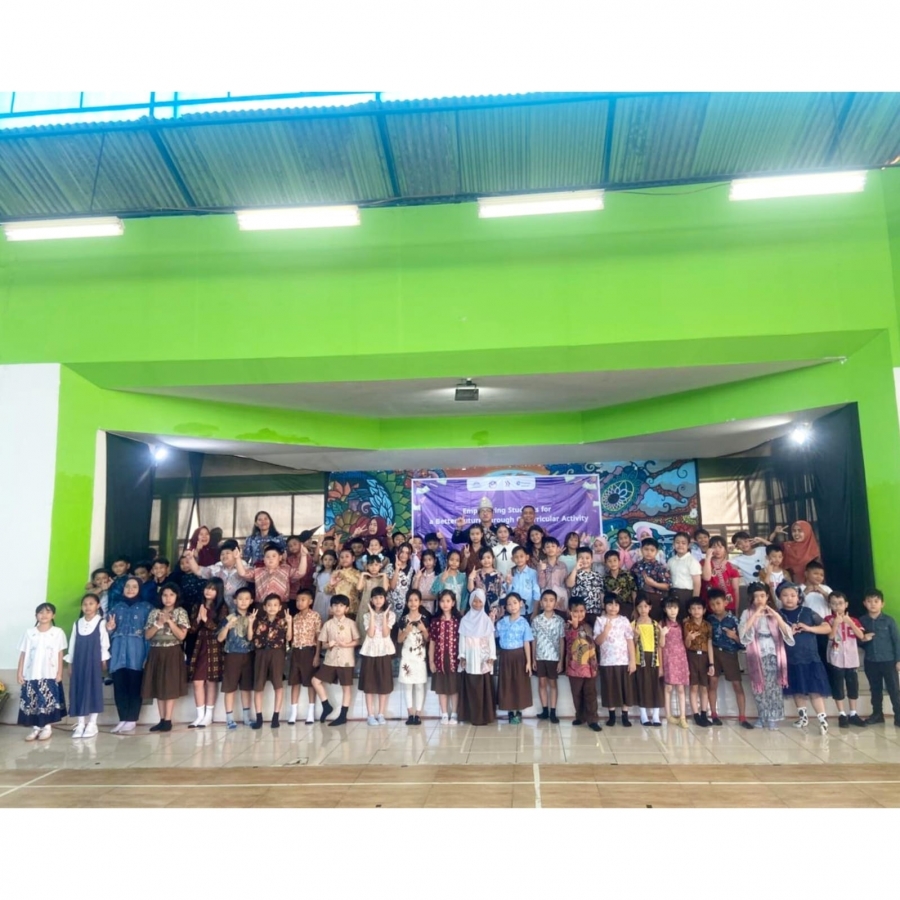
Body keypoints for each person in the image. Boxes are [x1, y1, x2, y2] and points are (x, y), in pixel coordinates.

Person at [776, 581, 832, 734]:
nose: (789, 598)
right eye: (785, 595)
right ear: (779, 597)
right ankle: (803, 718)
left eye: (793, 595)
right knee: (797, 689)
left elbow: (827, 627)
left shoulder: (807, 612)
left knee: (815, 689)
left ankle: (822, 720)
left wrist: (809, 628)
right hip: (790, 658)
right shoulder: (778, 615)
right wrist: (789, 632)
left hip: (810, 658)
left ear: (799, 597)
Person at [738, 582, 795, 730]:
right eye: (756, 596)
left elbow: (787, 632)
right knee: (759, 686)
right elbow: (743, 632)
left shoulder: (774, 612)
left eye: (762, 596)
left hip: (773, 653)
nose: (759, 599)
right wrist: (755, 615)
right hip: (756, 654)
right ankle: (762, 716)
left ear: (767, 597)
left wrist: (776, 616)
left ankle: (773, 717)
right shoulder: (747, 613)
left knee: (774, 687)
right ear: (751, 598)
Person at [106, 576, 153, 734]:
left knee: (134, 685)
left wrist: (148, 656)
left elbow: (149, 634)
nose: (130, 589)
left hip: (137, 652)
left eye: (134, 586)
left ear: (140, 589)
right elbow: (107, 633)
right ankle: (122, 719)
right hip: (118, 651)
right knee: (119, 686)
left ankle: (132, 719)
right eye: (127, 586)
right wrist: (109, 628)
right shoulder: (116, 608)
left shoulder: (147, 608)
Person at [142, 583, 189, 733]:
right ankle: (161, 719)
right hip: (156, 651)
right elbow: (147, 635)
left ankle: (168, 720)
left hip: (172, 651)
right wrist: (159, 623)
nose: (168, 598)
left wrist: (169, 622)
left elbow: (181, 636)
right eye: (164, 595)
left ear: (176, 596)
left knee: (169, 685)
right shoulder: (154, 612)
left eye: (171, 595)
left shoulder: (180, 612)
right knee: (158, 685)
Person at [17, 602, 67, 742]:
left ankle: (47, 728)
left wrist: (59, 673)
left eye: (48, 612)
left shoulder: (57, 632)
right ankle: (36, 728)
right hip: (31, 674)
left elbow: (60, 653)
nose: (44, 615)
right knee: (32, 701)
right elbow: (23, 653)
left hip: (49, 673)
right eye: (41, 612)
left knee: (47, 701)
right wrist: (19, 672)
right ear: (36, 615)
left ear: (53, 615)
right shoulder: (29, 633)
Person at [312, 595, 361, 727]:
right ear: (331, 608)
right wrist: (329, 644)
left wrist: (347, 645)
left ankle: (343, 716)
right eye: (335, 605)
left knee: (346, 688)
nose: (338, 608)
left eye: (341, 605)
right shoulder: (328, 624)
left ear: (347, 608)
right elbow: (323, 644)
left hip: (346, 660)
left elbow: (357, 641)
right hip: (330, 660)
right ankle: (326, 705)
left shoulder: (351, 623)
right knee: (315, 681)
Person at [65, 593, 109, 739]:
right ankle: (80, 723)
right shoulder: (77, 623)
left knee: (93, 689)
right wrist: (70, 663)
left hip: (94, 660)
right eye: (85, 604)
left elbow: (104, 642)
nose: (88, 607)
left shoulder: (101, 622)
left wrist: (103, 660)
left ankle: (92, 724)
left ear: (97, 606)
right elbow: (72, 644)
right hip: (79, 661)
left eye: (91, 603)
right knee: (78, 689)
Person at [706, 589, 752, 729]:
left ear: (725, 602)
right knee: (712, 683)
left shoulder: (734, 620)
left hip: (730, 654)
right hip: (714, 654)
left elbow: (744, 643)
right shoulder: (709, 620)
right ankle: (714, 715)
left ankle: (742, 717)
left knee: (737, 685)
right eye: (712, 604)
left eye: (718, 603)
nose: (715, 607)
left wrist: (735, 637)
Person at [824, 591, 867, 728]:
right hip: (836, 658)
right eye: (834, 604)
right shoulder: (828, 619)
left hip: (852, 659)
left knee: (852, 685)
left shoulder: (854, 620)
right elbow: (830, 637)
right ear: (830, 605)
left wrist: (850, 623)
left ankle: (853, 713)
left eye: (840, 603)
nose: (837, 606)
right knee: (838, 686)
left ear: (846, 604)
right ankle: (842, 714)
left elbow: (861, 636)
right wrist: (836, 624)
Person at [248, 593, 291, 729]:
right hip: (261, 653)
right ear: (264, 607)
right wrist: (250, 623)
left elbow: (289, 638)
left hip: (277, 653)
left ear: (280, 607)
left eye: (275, 605)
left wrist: (290, 623)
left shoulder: (283, 621)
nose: (272, 608)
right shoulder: (258, 621)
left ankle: (275, 717)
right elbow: (249, 637)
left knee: (278, 684)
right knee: (258, 685)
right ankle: (259, 718)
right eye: (269, 605)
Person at [187, 578, 225, 729]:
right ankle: (199, 715)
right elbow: (191, 629)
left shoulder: (222, 607)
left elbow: (220, 629)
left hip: (214, 645)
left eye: (213, 589)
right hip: (200, 645)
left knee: (211, 680)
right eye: (207, 588)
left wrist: (205, 619)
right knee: (197, 681)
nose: (209, 591)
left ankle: (208, 715)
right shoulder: (198, 606)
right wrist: (198, 619)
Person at [859, 589, 900, 727]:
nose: (873, 604)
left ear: (882, 604)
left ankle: (898, 715)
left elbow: (896, 641)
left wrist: (898, 660)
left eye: (876, 601)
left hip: (888, 660)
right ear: (864, 603)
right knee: (875, 689)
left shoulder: (889, 621)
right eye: (869, 601)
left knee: (893, 689)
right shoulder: (862, 621)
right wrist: (863, 639)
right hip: (871, 661)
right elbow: (857, 641)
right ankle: (877, 714)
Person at [594, 593, 636, 727]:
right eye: (610, 604)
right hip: (607, 662)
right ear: (604, 605)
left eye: (616, 604)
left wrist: (632, 660)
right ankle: (611, 715)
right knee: (610, 688)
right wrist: (605, 631)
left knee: (625, 688)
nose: (613, 607)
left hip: (623, 660)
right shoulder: (600, 621)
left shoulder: (624, 620)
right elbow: (597, 641)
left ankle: (625, 716)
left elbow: (630, 640)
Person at [217, 586, 256, 729]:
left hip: (248, 655)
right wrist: (227, 626)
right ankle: (229, 719)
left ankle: (246, 718)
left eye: (246, 599)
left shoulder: (253, 617)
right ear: (235, 601)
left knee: (246, 687)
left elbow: (251, 638)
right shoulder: (229, 617)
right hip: (232, 655)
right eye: (240, 599)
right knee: (230, 687)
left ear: (251, 601)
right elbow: (220, 639)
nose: (243, 602)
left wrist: (251, 623)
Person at [457, 589, 497, 726]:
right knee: (471, 686)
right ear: (470, 602)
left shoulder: (486, 620)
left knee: (483, 688)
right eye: (475, 601)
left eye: (480, 601)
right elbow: (462, 639)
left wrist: (492, 655)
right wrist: (462, 655)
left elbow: (491, 639)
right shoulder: (465, 620)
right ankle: (471, 716)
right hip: (470, 657)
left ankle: (484, 717)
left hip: (483, 658)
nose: (477, 604)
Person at [359, 588, 396, 725]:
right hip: (369, 651)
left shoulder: (391, 615)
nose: (378, 600)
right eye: (375, 598)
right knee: (369, 684)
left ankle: (381, 714)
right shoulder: (366, 616)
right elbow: (370, 634)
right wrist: (373, 615)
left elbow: (386, 634)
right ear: (371, 600)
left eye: (381, 597)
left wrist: (384, 616)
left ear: (385, 599)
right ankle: (370, 715)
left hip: (384, 651)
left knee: (383, 684)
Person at [494, 593, 533, 724]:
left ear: (520, 604)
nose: (512, 606)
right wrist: (493, 620)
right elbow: (493, 635)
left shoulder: (524, 623)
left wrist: (528, 662)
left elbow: (526, 642)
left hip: (519, 657)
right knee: (507, 683)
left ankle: (518, 711)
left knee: (519, 683)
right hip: (505, 656)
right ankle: (510, 710)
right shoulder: (502, 622)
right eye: (509, 604)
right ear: (506, 607)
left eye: (515, 603)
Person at [565, 599, 602, 731]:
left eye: (581, 611)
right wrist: (575, 627)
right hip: (574, 667)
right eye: (575, 611)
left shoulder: (589, 625)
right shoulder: (568, 626)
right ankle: (580, 717)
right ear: (570, 612)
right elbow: (570, 639)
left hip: (590, 667)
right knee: (577, 693)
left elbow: (592, 642)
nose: (579, 614)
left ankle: (593, 719)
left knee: (590, 694)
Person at [287, 588, 322, 725]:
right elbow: (290, 638)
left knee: (310, 683)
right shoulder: (295, 617)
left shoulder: (315, 616)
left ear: (310, 601)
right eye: (297, 600)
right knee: (294, 682)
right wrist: (289, 623)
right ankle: (293, 713)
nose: (299, 603)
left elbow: (318, 638)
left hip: (309, 650)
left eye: (303, 600)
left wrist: (317, 655)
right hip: (296, 650)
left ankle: (311, 713)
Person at [235, 541, 308, 606]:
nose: (271, 558)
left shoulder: (286, 569)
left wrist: (304, 556)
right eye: (267, 556)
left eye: (274, 556)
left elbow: (300, 573)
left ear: (280, 558)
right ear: (263, 559)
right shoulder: (257, 571)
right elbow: (243, 574)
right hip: (261, 606)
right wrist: (237, 558)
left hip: (281, 606)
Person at [397, 589, 430, 725]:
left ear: (420, 602)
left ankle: (418, 714)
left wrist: (424, 630)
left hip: (420, 657)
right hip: (407, 656)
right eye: (410, 600)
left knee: (420, 685)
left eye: (416, 600)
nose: (413, 603)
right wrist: (406, 631)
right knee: (408, 686)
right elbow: (399, 640)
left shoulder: (425, 619)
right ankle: (410, 714)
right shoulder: (403, 619)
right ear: (406, 603)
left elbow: (428, 639)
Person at [186, 539, 247, 612]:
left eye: (227, 553)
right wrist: (190, 559)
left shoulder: (244, 568)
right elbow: (198, 570)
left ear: (235, 554)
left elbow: (247, 576)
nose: (224, 556)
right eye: (222, 554)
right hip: (219, 611)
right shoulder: (216, 569)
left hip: (238, 611)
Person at [532, 590, 565, 722]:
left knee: (553, 684)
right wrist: (533, 658)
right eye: (545, 600)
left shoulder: (560, 621)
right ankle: (545, 710)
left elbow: (561, 641)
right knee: (541, 683)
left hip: (554, 657)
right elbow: (534, 640)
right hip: (540, 657)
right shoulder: (536, 620)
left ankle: (553, 712)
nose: (548, 603)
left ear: (555, 603)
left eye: (551, 600)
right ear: (541, 602)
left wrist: (561, 660)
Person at [429, 589, 461, 724]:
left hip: (455, 659)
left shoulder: (458, 621)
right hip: (439, 659)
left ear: (453, 603)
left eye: (448, 601)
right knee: (441, 687)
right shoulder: (435, 621)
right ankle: (444, 713)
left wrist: (463, 658)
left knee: (454, 687)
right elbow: (432, 642)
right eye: (442, 601)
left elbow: (463, 641)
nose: (445, 604)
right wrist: (431, 661)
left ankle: (454, 713)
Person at [631, 598, 663, 726]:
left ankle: (656, 716)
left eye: (645, 606)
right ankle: (643, 715)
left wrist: (661, 665)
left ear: (650, 607)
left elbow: (660, 645)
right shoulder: (633, 624)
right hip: (640, 659)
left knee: (656, 687)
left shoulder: (655, 624)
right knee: (642, 686)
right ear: (636, 608)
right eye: (640, 606)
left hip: (654, 659)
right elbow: (631, 645)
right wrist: (636, 636)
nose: (643, 609)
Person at [683, 598, 714, 727]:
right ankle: (696, 715)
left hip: (705, 657)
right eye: (693, 608)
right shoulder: (687, 624)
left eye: (699, 608)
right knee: (694, 687)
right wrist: (689, 638)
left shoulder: (708, 625)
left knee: (704, 687)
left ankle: (704, 714)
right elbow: (686, 645)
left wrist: (711, 664)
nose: (696, 611)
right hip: (692, 656)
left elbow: (709, 644)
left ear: (704, 610)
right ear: (689, 610)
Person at [660, 597, 690, 728]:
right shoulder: (662, 623)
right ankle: (669, 715)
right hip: (669, 657)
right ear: (664, 609)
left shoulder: (682, 623)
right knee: (668, 687)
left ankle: (683, 716)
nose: (672, 611)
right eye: (669, 607)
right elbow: (661, 645)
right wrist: (662, 634)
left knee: (681, 688)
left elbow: (685, 642)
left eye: (675, 607)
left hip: (681, 657)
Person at [630, 537, 671, 620]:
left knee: (655, 623)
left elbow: (667, 586)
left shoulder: (660, 567)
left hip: (656, 600)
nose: (649, 552)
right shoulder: (636, 566)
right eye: (646, 549)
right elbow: (633, 588)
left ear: (656, 552)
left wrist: (653, 584)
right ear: (641, 550)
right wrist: (635, 607)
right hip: (640, 600)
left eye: (652, 550)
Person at [731, 532, 770, 612]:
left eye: (745, 541)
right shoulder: (737, 560)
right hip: (753, 591)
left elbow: (777, 550)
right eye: (739, 543)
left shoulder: (762, 550)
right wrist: (727, 551)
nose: (744, 544)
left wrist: (762, 540)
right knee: (755, 611)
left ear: (750, 541)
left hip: (769, 586)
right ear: (736, 547)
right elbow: (723, 564)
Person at [667, 532, 701, 619]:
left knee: (686, 620)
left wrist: (694, 602)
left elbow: (697, 583)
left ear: (688, 545)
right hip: (673, 594)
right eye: (677, 542)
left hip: (687, 595)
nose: (680, 545)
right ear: (673, 544)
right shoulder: (670, 561)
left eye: (683, 543)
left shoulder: (692, 561)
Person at [701, 536, 740, 612]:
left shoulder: (732, 567)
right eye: (714, 547)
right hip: (709, 605)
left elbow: (736, 590)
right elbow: (706, 577)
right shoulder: (704, 562)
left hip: (728, 606)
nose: (717, 550)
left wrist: (737, 609)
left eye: (720, 547)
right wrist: (708, 558)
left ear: (725, 549)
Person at [566, 546, 605, 621]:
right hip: (578, 612)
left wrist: (603, 609)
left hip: (595, 610)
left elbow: (601, 594)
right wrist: (575, 569)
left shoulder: (598, 576)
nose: (584, 560)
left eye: (587, 558)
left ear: (592, 559)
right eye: (581, 558)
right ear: (577, 559)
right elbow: (569, 584)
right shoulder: (575, 573)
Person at [324, 548, 362, 619]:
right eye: (341, 557)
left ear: (353, 558)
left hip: (351, 609)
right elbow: (326, 591)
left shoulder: (358, 574)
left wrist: (344, 574)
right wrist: (331, 585)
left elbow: (360, 589)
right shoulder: (336, 573)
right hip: (336, 608)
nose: (344, 559)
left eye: (347, 556)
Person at [602, 550, 637, 621]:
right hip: (612, 608)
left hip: (627, 606)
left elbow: (634, 591)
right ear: (605, 563)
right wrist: (611, 594)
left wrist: (635, 609)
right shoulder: (605, 578)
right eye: (609, 561)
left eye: (615, 560)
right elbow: (604, 595)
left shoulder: (627, 575)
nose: (612, 563)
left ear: (619, 561)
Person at [357, 558, 391, 628]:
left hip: (378, 605)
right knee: (363, 626)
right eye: (371, 565)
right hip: (365, 605)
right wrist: (362, 574)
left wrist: (384, 575)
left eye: (376, 565)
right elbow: (358, 588)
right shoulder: (365, 578)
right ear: (367, 567)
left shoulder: (383, 578)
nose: (374, 567)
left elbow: (385, 589)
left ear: (380, 566)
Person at [468, 547, 504, 614]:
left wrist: (500, 610)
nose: (486, 560)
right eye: (483, 558)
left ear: (493, 558)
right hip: (479, 609)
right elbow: (471, 591)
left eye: (488, 557)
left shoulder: (499, 575)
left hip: (495, 611)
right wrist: (470, 578)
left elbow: (502, 593)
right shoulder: (477, 574)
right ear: (480, 560)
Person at [507, 545, 540, 615]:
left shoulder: (533, 573)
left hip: (529, 610)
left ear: (527, 557)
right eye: (516, 557)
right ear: (512, 559)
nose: (519, 559)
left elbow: (536, 593)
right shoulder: (511, 573)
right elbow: (508, 593)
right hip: (514, 610)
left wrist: (535, 612)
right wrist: (508, 584)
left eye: (521, 556)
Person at [538, 536, 569, 611]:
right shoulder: (541, 564)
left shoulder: (562, 565)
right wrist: (542, 570)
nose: (550, 549)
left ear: (557, 549)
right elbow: (542, 585)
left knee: (560, 616)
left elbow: (566, 584)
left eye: (553, 546)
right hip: (546, 599)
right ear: (544, 550)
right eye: (547, 547)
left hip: (561, 598)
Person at [388, 542, 415, 617]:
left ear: (410, 555)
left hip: (405, 605)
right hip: (391, 604)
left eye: (407, 553)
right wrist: (397, 569)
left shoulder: (412, 570)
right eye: (402, 552)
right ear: (397, 552)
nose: (404, 555)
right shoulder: (390, 567)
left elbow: (411, 589)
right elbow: (392, 587)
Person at [412, 550, 439, 614]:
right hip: (417, 607)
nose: (427, 562)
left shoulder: (438, 577)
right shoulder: (418, 574)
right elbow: (413, 591)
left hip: (431, 609)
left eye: (430, 559)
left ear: (435, 561)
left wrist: (419, 597)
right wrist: (417, 578)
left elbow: (436, 596)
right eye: (425, 560)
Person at [314, 549, 338, 619]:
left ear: (334, 562)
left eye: (330, 560)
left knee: (328, 616)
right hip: (319, 597)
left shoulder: (335, 574)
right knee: (318, 616)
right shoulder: (318, 574)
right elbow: (317, 588)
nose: (327, 562)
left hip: (330, 597)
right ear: (322, 561)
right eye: (325, 559)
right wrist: (315, 599)